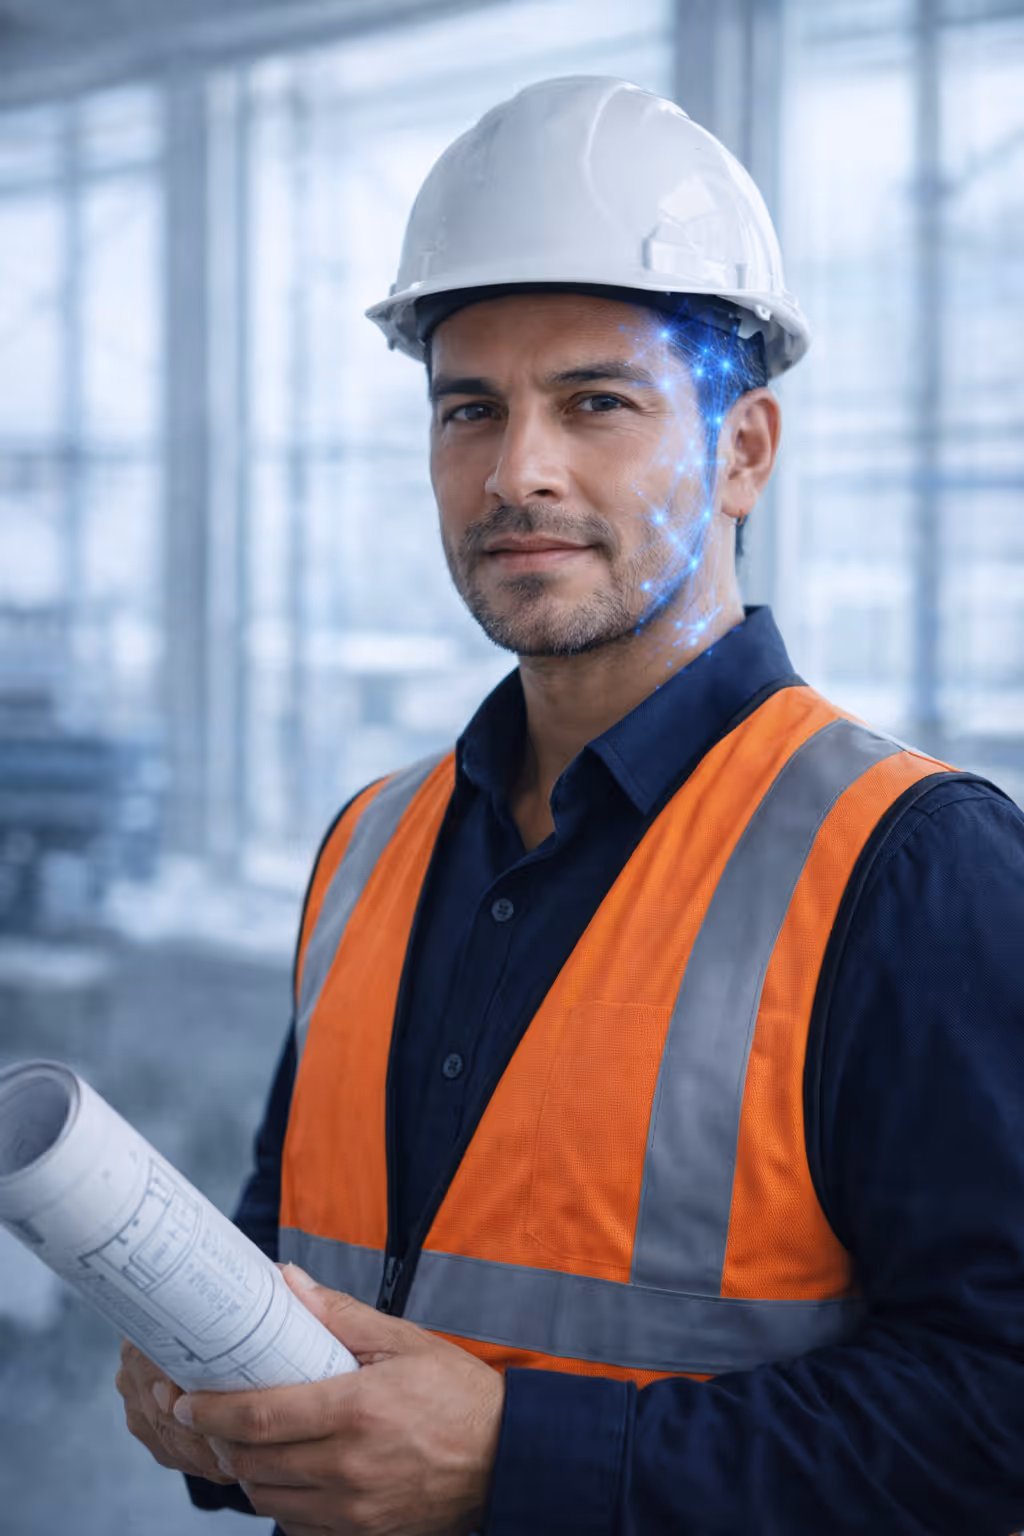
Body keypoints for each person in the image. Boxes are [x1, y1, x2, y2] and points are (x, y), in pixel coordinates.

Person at [116, 77, 1024, 1535]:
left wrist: (516, 1459)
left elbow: (997, 1418)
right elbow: (308, 1244)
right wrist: (213, 1381)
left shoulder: (912, 866)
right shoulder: (370, 846)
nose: (516, 470)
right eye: (469, 408)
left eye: (597, 402)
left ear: (744, 452)